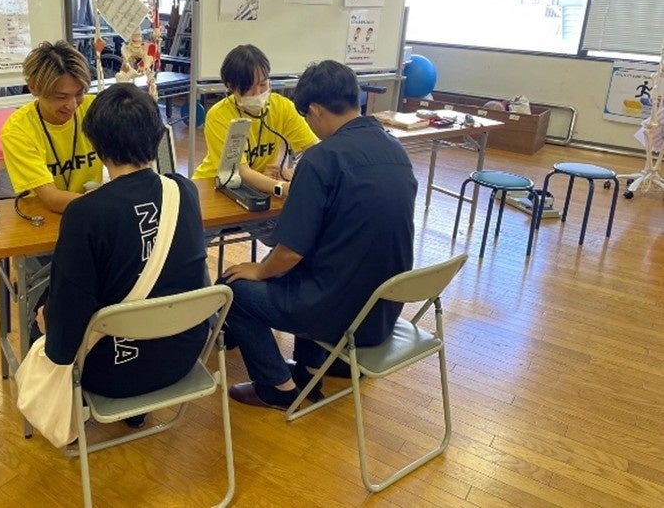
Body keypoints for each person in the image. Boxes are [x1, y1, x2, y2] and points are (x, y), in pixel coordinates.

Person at [220, 59, 417, 410]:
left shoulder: (321, 159)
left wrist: (259, 270)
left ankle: (277, 388)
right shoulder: (396, 150)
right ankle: (312, 368)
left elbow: (290, 252)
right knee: (318, 267)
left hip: (340, 316)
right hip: (382, 311)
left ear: (314, 110)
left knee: (233, 288)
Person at [42, 83, 210, 400]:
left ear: (96, 143)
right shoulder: (184, 190)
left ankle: (73, 416)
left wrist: (47, 327)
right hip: (185, 355)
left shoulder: (85, 213)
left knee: (44, 312)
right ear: (158, 137)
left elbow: (68, 313)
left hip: (112, 373)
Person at [192, 44, 317, 198]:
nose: (258, 93)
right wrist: (283, 187)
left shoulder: (282, 107)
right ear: (231, 87)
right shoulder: (219, 115)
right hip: (214, 185)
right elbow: (241, 172)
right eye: (249, 88)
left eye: (263, 84)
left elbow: (313, 149)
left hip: (258, 187)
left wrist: (292, 173)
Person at [0, 40, 103, 214]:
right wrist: (110, 203)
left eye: (79, 94)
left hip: (93, 212)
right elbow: (52, 199)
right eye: (61, 97)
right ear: (34, 88)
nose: (72, 105)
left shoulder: (95, 109)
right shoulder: (18, 131)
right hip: (45, 215)